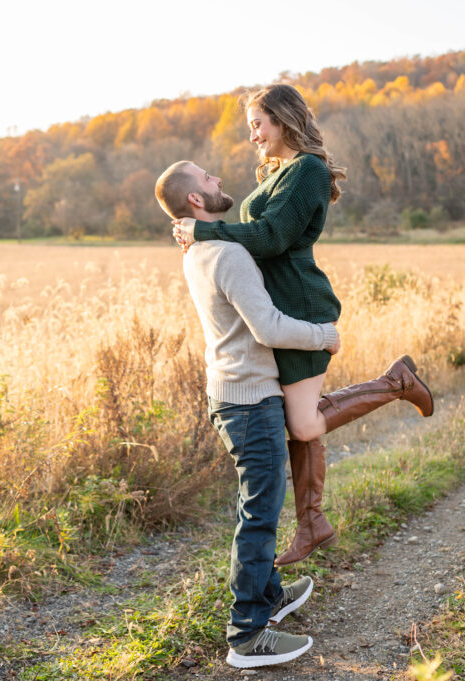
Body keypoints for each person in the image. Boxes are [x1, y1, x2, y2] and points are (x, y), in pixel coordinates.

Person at [171, 84, 434, 567]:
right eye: (250, 125)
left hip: (302, 309)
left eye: (257, 123)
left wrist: (204, 229)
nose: (252, 135)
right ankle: (312, 523)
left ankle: (397, 382)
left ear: (283, 119)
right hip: (282, 310)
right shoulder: (281, 173)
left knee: (304, 421)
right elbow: (256, 235)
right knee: (301, 424)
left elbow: (271, 237)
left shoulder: (307, 171)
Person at [155, 160, 336, 668]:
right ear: (195, 200)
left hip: (233, 394)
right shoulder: (227, 253)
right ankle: (247, 634)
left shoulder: (198, 250)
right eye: (207, 178)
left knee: (254, 503)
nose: (216, 179)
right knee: (258, 513)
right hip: (250, 400)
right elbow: (269, 328)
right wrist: (323, 336)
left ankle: (269, 594)